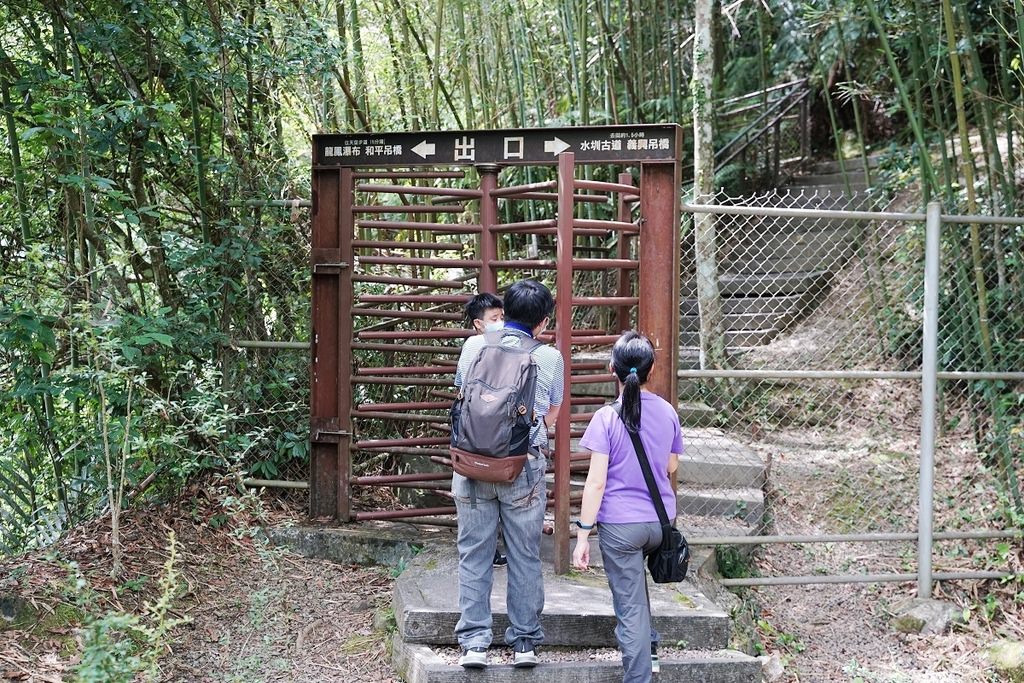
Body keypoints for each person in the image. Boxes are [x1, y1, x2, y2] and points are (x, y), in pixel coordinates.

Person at [452, 279, 564, 669]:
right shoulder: (549, 357)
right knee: (524, 555)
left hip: (472, 463)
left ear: (507, 311)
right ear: (543, 322)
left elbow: (463, 394)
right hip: (523, 467)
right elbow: (551, 414)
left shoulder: (473, 346)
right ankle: (524, 643)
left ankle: (475, 643)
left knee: (474, 553)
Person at [571, 332, 681, 683]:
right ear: (651, 372)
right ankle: (649, 650)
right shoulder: (667, 411)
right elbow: (671, 466)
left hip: (621, 526)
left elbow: (596, 482)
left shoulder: (606, 418)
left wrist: (583, 534)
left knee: (630, 607)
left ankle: (639, 677)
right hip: (660, 522)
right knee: (637, 593)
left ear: (611, 370)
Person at [462, 292, 508, 568]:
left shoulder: (472, 345)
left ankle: (485, 551)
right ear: (479, 324)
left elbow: (460, 384)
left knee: (476, 495)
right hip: (497, 430)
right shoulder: (481, 344)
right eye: (495, 319)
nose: (500, 323)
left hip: (472, 432)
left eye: (502, 317)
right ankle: (494, 549)